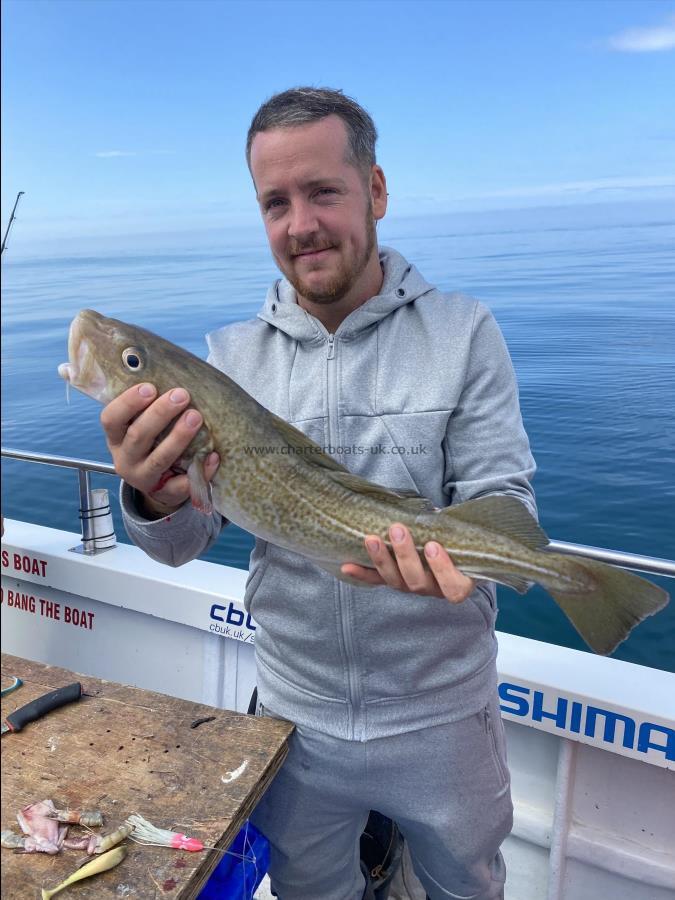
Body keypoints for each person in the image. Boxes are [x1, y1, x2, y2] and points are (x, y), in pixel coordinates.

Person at [102, 87, 536, 900]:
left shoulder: (463, 332)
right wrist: (151, 495)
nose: (298, 223)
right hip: (294, 715)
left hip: (443, 716)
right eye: (274, 201)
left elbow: (503, 500)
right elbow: (178, 546)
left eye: (322, 192)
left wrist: (471, 565)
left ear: (374, 189)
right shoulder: (223, 360)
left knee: (464, 890)